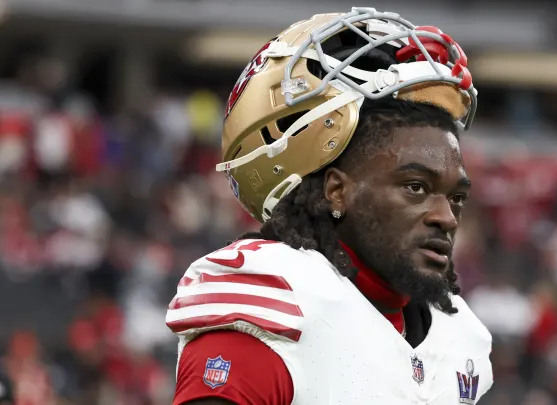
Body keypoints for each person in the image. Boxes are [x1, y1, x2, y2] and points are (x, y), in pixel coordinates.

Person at [166, 7, 493, 405]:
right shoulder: (279, 304)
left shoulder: (459, 339)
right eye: (415, 187)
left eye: (456, 197)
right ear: (337, 191)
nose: (446, 217)